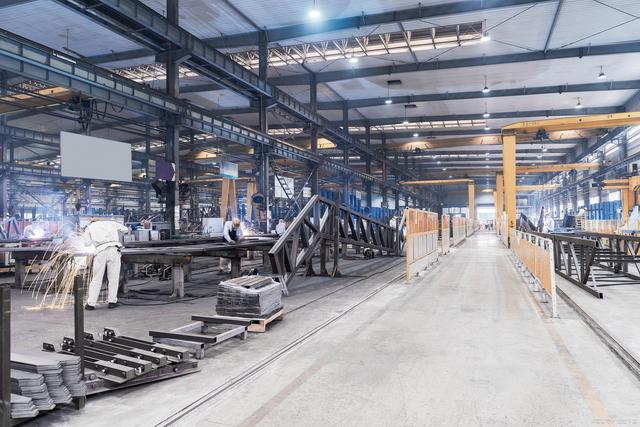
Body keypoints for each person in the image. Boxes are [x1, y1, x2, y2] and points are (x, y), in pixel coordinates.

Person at [83, 218, 130, 310]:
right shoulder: (111, 222)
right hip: (114, 250)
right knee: (113, 278)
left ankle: (91, 304)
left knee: (96, 279)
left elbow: (86, 243)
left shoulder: (89, 227)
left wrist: (95, 239)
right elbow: (125, 229)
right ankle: (112, 302)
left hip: (100, 252)